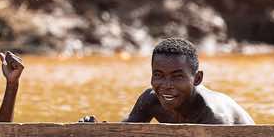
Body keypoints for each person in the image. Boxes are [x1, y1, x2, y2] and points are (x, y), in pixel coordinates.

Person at [81, 38, 254, 124]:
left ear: (197, 78)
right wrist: (96, 130)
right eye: (158, 75)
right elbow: (122, 136)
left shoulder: (214, 116)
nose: (166, 86)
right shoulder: (150, 100)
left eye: (177, 76)